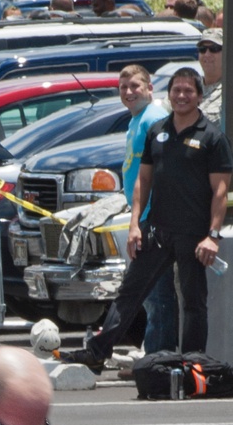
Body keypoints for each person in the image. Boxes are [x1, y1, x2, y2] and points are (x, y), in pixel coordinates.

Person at [63, 69, 232, 373]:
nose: (181, 96)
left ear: (199, 95)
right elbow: (143, 180)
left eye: (188, 91)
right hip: (157, 230)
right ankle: (97, 352)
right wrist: (134, 225)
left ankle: (193, 365)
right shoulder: (158, 131)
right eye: (176, 90)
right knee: (130, 293)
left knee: (193, 302)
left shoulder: (212, 137)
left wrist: (213, 235)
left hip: (194, 234)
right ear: (168, 95)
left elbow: (220, 191)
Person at [117, 65, 176, 358]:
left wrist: (139, 222)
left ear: (150, 88)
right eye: (123, 87)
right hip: (144, 215)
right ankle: (153, 353)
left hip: (155, 218)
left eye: (135, 86)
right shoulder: (137, 120)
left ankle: (158, 357)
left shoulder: (153, 118)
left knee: (157, 293)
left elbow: (160, 173)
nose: (129, 92)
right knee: (151, 293)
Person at [197, 29, 223, 122]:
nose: (207, 54)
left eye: (214, 49)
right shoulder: (189, 87)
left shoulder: (229, 91)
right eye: (202, 49)